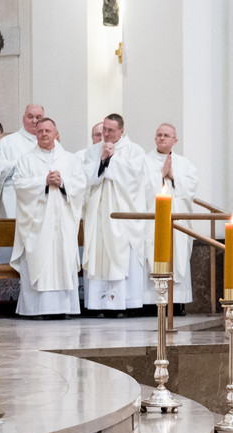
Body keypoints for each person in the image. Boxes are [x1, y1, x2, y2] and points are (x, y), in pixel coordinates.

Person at [10, 118, 84, 318]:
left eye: (48, 130)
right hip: (37, 223)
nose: (44, 134)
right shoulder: (26, 159)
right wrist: (43, 181)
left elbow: (80, 185)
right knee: (38, 259)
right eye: (40, 130)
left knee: (62, 258)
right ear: (35, 134)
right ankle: (37, 309)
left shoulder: (70, 159)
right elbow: (19, 185)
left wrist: (62, 182)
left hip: (63, 221)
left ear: (55, 132)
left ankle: (64, 308)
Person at [81, 113, 148, 315]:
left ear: (121, 130)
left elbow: (134, 178)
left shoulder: (135, 150)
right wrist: (101, 161)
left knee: (121, 254)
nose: (106, 134)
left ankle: (124, 303)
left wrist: (113, 159)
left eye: (111, 130)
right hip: (99, 214)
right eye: (104, 130)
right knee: (99, 253)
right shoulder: (93, 151)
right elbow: (85, 177)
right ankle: (98, 304)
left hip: (122, 214)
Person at [144, 123, 198, 305]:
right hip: (153, 219)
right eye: (159, 134)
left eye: (166, 135)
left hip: (177, 218)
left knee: (178, 253)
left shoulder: (184, 163)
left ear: (175, 140)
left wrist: (173, 176)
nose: (161, 138)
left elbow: (190, 187)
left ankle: (178, 301)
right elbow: (139, 188)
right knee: (153, 251)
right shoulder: (145, 161)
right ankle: (154, 301)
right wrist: (160, 175)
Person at [0, 104, 46, 218]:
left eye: (38, 117)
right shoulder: (8, 142)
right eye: (30, 116)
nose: (34, 121)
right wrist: (20, 165)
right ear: (23, 118)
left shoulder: (51, 143)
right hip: (15, 198)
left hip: (42, 198)